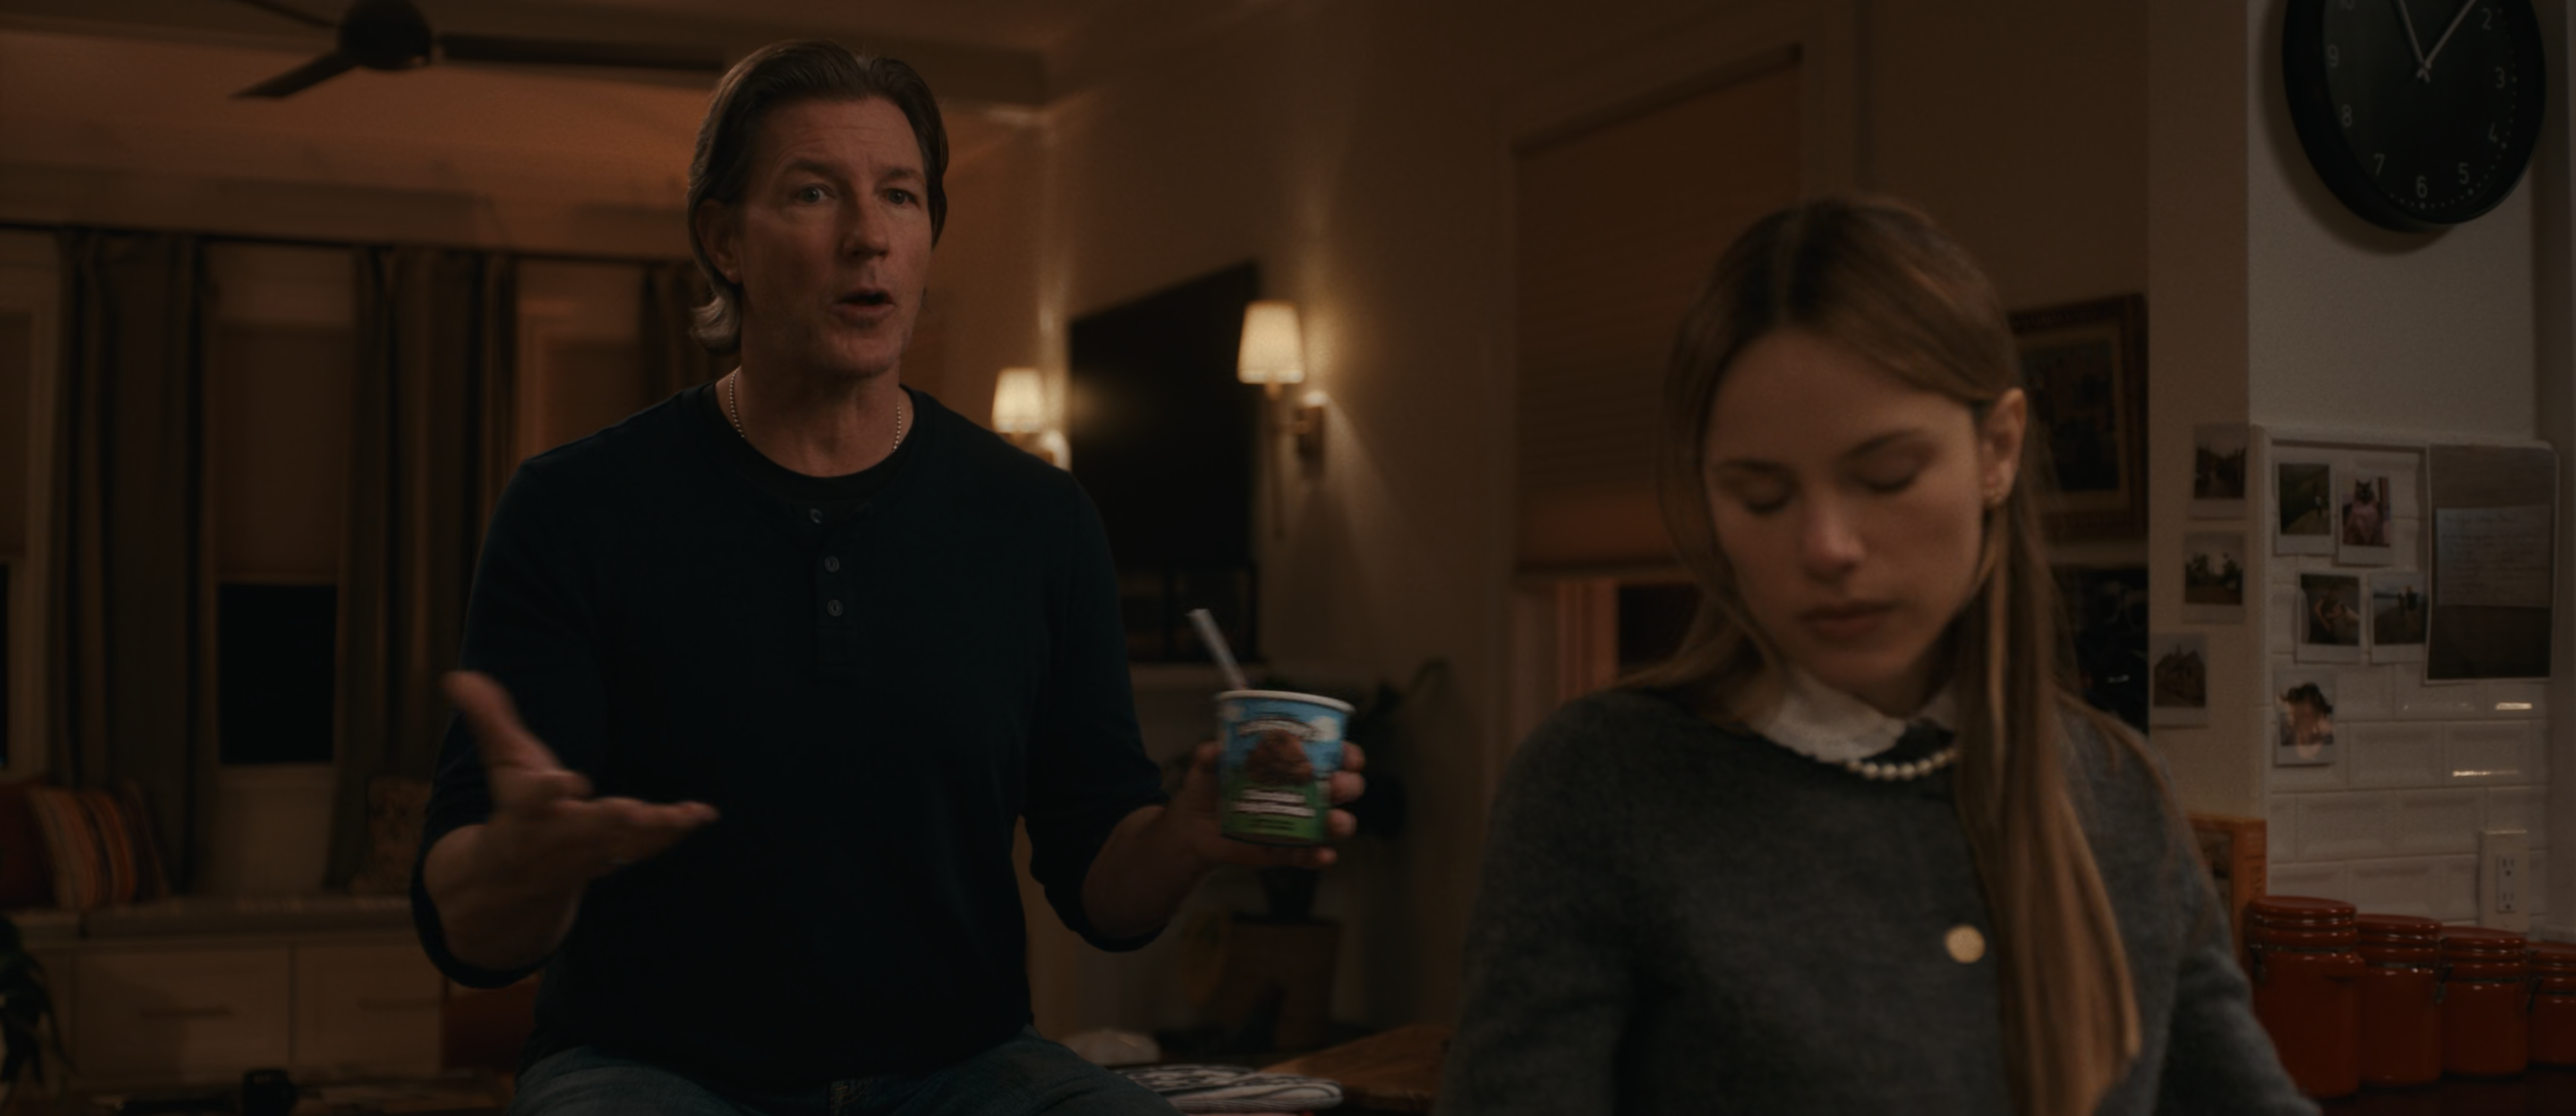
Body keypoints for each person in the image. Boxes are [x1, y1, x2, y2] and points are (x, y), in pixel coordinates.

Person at [412, 41, 1362, 1116]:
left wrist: (1184, 834)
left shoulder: (1039, 520)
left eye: (900, 196)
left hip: (962, 1064)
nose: (868, 235)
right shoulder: (577, 508)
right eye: (814, 193)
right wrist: (525, 865)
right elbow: (467, 931)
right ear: (724, 240)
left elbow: (1104, 890)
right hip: (649, 1065)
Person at [1436, 198, 2312, 1115]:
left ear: (1998, 450)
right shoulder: (1604, 783)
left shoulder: (2118, 792)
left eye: (1885, 477)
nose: (1827, 547)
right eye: (1761, 495)